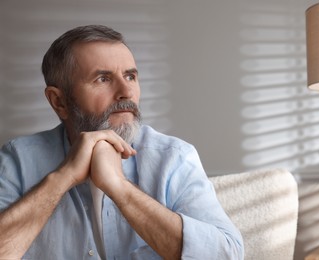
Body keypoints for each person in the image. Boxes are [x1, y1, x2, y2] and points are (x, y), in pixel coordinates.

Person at [0, 25, 244, 259]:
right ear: (58, 102)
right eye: (103, 79)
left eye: (130, 76)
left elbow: (227, 255)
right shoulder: (18, 160)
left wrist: (119, 188)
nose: (126, 92)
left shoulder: (173, 157)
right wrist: (64, 176)